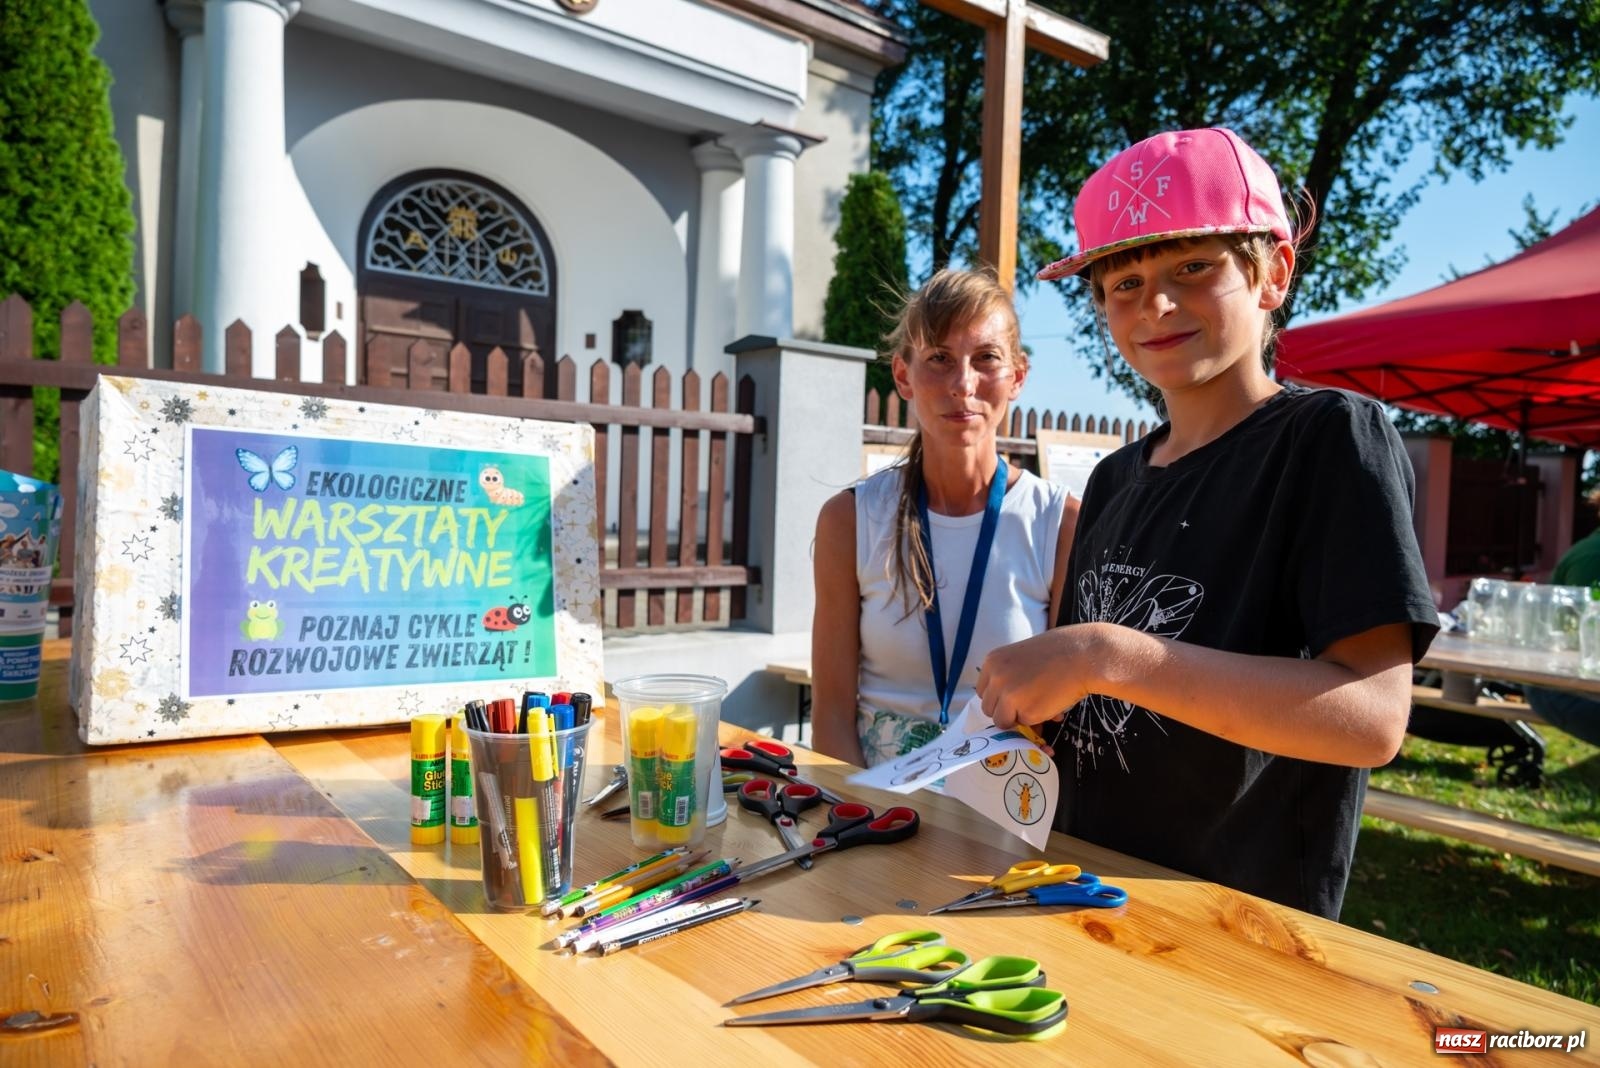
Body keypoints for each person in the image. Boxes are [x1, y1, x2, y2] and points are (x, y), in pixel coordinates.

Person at [975, 128, 1439, 920]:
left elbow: (1371, 719)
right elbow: (1104, 704)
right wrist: (1041, 704)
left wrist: (1102, 654)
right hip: (1080, 887)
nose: (1155, 304)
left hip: (1237, 919)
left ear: (1273, 274)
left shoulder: (1328, 439)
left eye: (1192, 267)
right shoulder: (1114, 478)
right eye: (1124, 282)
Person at [810, 269, 1079, 768]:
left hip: (1005, 807)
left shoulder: (1059, 522)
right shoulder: (849, 520)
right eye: (939, 358)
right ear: (902, 375)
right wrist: (866, 811)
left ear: (1018, 376)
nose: (963, 384)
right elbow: (829, 716)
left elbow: (1065, 718)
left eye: (986, 358)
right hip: (872, 806)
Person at [1522, 488, 1600, 748]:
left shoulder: (1588, 551)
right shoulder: (1592, 555)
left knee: (1538, 691)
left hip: (1576, 673)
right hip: (1577, 671)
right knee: (1539, 690)